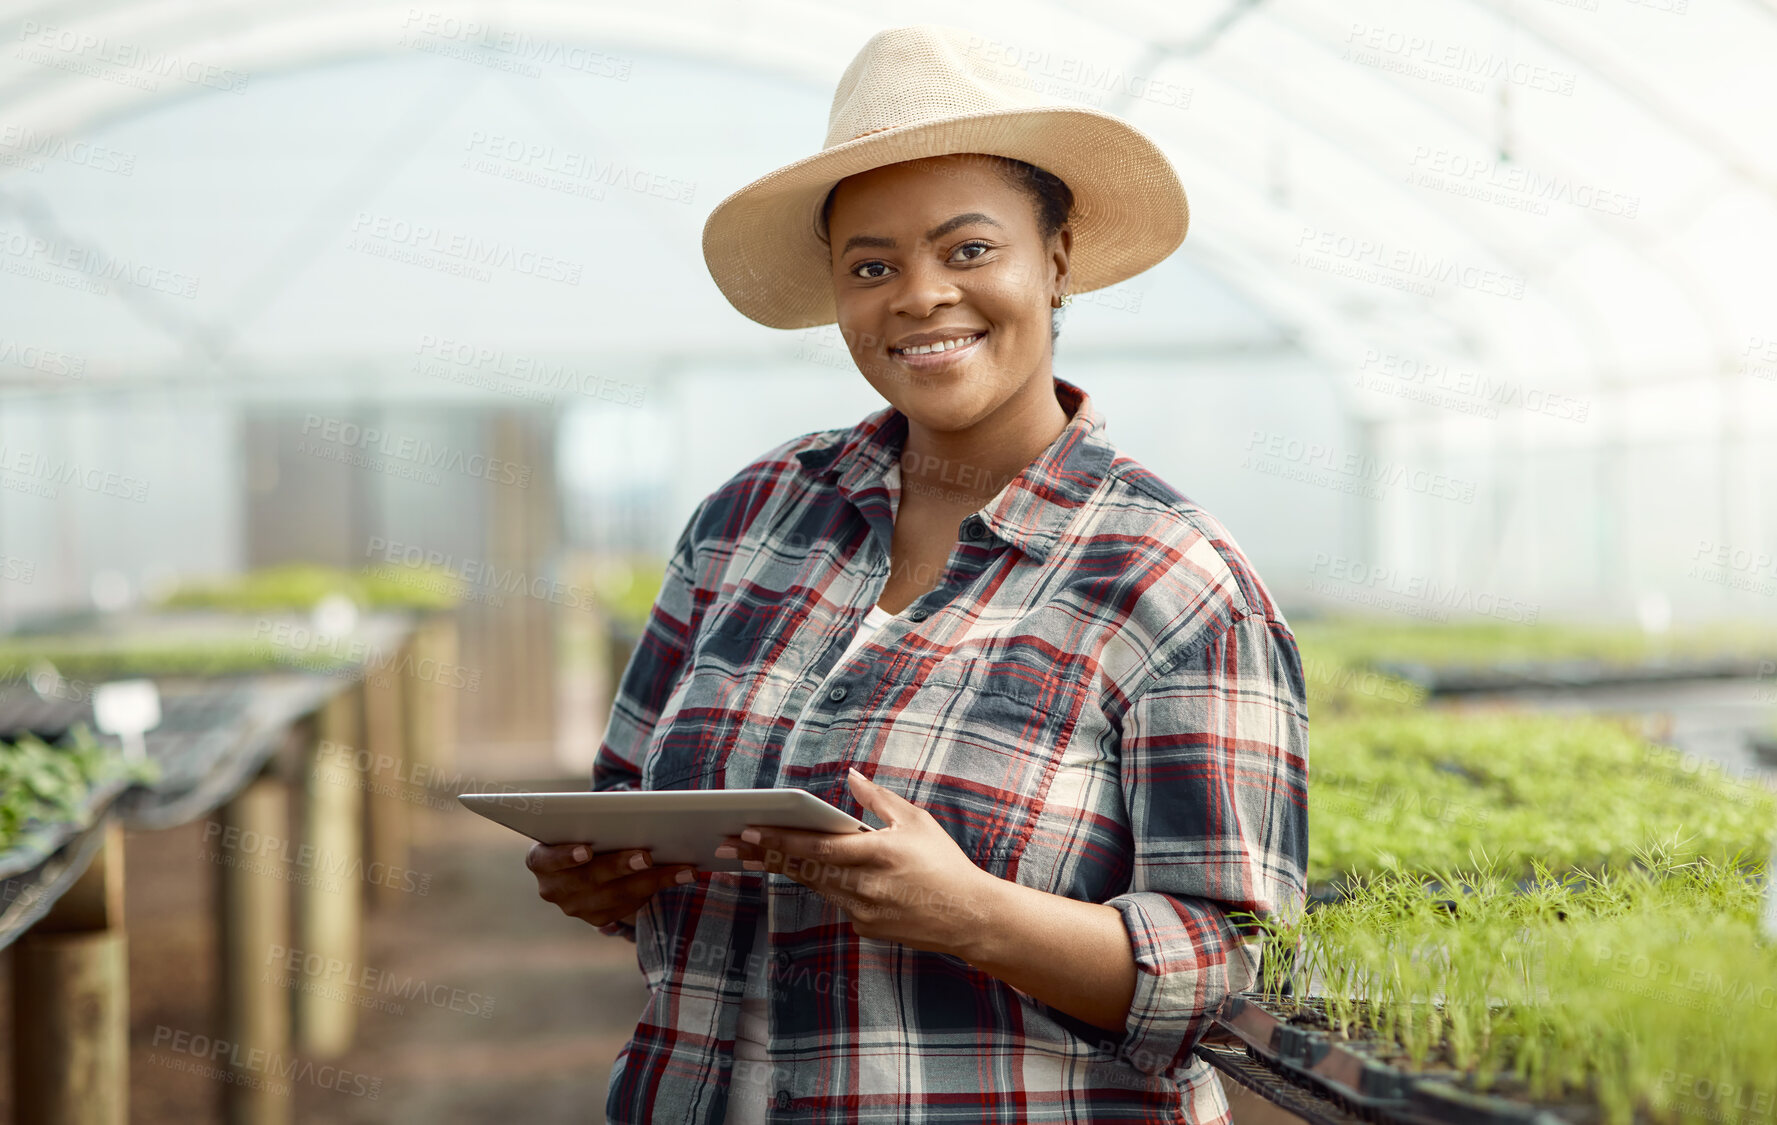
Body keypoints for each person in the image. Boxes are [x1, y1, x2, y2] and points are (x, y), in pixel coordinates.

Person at [527, 23, 1308, 1125]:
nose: (920, 295)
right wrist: (603, 874)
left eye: (970, 250)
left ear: (1059, 257)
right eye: (872, 266)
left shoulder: (1172, 581)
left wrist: (974, 914)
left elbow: (1239, 978)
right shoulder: (748, 522)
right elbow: (625, 799)